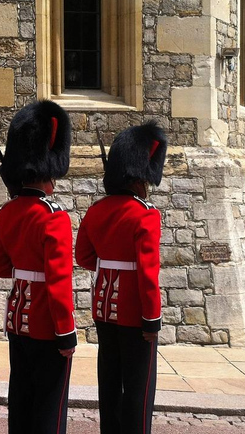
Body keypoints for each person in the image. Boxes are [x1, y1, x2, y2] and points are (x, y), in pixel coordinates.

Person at [0, 100, 77, 434]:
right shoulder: (53, 217)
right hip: (46, 324)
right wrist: (66, 333)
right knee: (49, 409)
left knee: (21, 400)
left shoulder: (7, 213)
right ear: (49, 169)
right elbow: (58, 282)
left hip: (16, 321)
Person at [75, 121, 167, 434]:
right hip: (135, 315)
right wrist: (152, 319)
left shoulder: (97, 210)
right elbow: (147, 274)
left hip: (104, 311)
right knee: (139, 393)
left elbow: (84, 257)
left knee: (110, 385)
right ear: (143, 174)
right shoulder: (146, 214)